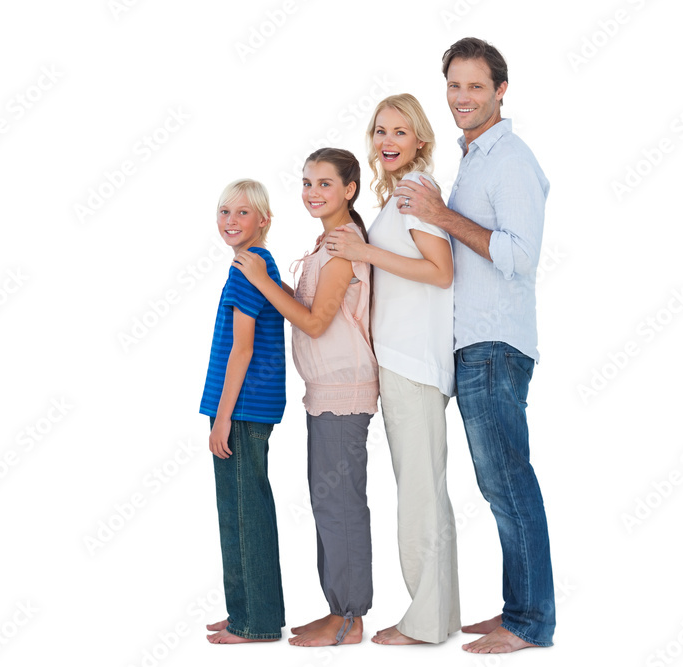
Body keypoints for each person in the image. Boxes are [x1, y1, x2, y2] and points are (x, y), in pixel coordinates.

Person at [393, 37, 555, 653]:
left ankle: (530, 623)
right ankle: (520, 608)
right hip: (473, 346)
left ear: (500, 91)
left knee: (508, 481)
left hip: (495, 343)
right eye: (454, 87)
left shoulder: (510, 159)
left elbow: (517, 254)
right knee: (498, 482)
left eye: (476, 87)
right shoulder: (473, 160)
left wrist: (441, 214)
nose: (463, 98)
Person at [324, 93, 458, 645]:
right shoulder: (397, 196)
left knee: (420, 494)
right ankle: (438, 616)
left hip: (413, 364)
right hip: (402, 363)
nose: (387, 141)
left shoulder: (414, 191)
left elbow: (441, 271)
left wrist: (367, 253)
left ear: (419, 140)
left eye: (400, 132)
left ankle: (425, 623)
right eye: (381, 130)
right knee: (424, 489)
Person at [233, 148, 378, 647]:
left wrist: (262, 282)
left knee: (340, 503)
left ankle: (350, 618)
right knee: (327, 499)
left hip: (344, 390)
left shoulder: (344, 246)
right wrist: (273, 285)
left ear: (350, 190)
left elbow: (316, 322)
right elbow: (310, 309)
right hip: (324, 391)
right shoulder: (326, 244)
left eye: (324, 184)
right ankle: (338, 609)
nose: (312, 193)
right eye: (307, 183)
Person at [199, 179, 287, 644]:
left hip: (242, 408)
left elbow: (243, 348)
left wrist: (222, 416)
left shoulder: (248, 268)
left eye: (242, 214)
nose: (230, 222)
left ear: (264, 221)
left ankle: (256, 622)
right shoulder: (253, 265)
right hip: (244, 406)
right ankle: (246, 611)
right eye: (223, 212)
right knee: (236, 509)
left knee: (245, 512)